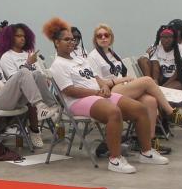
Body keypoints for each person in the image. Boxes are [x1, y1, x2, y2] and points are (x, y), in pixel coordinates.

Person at [44, 17, 168, 174]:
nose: (71, 42)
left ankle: (146, 152)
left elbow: (96, 78)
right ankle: (115, 160)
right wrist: (97, 92)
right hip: (77, 101)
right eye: (66, 39)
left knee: (139, 108)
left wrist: (104, 87)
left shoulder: (79, 58)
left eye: (73, 39)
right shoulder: (58, 64)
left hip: (97, 95)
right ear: (56, 42)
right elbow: (70, 91)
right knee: (113, 112)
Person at [87, 23, 182, 142]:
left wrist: (125, 80)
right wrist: (120, 80)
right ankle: (171, 113)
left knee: (150, 101)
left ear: (111, 37)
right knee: (148, 80)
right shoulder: (93, 57)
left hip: (122, 87)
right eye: (99, 36)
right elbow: (100, 83)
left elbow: (121, 72)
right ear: (95, 39)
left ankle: (149, 142)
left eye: (106, 35)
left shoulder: (112, 54)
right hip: (108, 91)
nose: (103, 38)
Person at [0, 33, 59, 150]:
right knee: (23, 72)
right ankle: (40, 106)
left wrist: (5, 86)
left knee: (36, 74)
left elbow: (3, 81)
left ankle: (53, 107)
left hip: (6, 97)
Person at [137, 25, 182, 92]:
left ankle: (155, 90)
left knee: (164, 91)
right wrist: (155, 82)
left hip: (177, 79)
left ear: (174, 38)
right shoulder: (157, 47)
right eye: (164, 37)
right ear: (160, 38)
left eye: (170, 37)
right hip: (162, 77)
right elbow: (155, 66)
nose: (167, 40)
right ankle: (150, 84)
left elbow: (179, 72)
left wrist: (163, 87)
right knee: (142, 60)